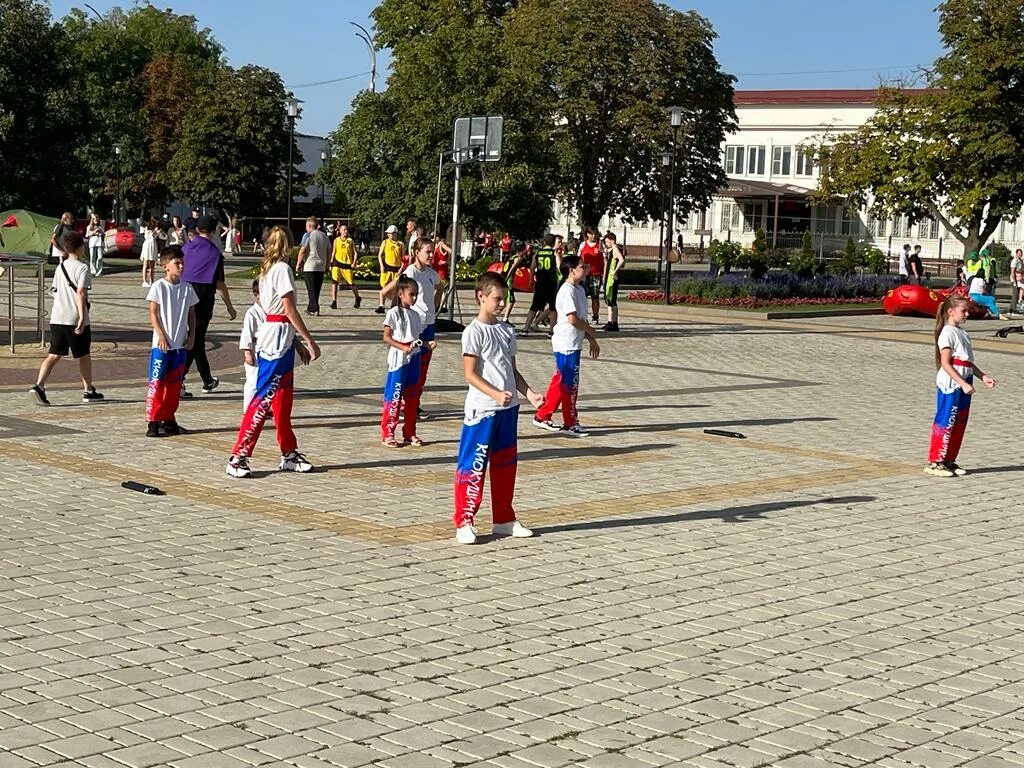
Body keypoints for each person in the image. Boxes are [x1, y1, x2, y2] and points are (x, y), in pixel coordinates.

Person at [453, 271, 545, 545]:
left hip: (508, 409)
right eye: (497, 299)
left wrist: (529, 394)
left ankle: (504, 519)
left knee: (506, 465)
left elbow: (511, 371)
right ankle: (465, 520)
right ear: (480, 297)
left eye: (504, 299)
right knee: (474, 464)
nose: (502, 304)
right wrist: (495, 394)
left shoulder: (506, 330)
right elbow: (470, 374)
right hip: (483, 410)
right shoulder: (473, 332)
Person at [226, 226, 321, 478]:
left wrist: (296, 344)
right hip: (276, 340)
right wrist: (309, 340)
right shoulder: (282, 269)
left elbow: (280, 311)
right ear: (288, 245)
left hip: (281, 337)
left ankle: (288, 453)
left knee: (282, 402)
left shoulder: (268, 269)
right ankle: (239, 456)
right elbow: (288, 310)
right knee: (262, 400)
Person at [30, 231, 103, 406]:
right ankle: (88, 390)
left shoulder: (60, 267)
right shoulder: (83, 268)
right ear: (80, 247)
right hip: (74, 318)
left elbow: (54, 291)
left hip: (57, 317)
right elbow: (81, 292)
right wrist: (82, 316)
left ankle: (39, 385)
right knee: (84, 354)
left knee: (54, 354)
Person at [926, 294, 996, 477]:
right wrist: (962, 383)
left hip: (965, 378)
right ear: (951, 311)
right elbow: (946, 363)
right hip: (952, 382)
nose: (966, 314)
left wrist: (983, 376)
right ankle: (936, 460)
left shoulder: (962, 333)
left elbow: (967, 362)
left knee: (959, 422)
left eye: (967, 310)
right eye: (963, 310)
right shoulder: (947, 333)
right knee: (947, 420)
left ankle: (949, 459)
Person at [532, 254, 600, 436]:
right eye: (582, 267)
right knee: (569, 383)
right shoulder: (567, 290)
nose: (585, 269)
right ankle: (570, 422)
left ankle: (543, 415)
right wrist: (590, 331)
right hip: (566, 343)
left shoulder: (578, 289)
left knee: (561, 381)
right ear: (571, 271)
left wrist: (590, 338)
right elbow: (572, 319)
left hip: (574, 341)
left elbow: (581, 318)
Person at [145, 246, 199, 437]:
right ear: (165, 266)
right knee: (157, 383)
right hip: (161, 346)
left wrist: (191, 335)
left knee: (174, 386)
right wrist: (160, 335)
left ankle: (169, 419)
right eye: (177, 263)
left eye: (183, 263)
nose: (181, 266)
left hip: (179, 346)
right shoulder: (159, 287)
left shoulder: (187, 288)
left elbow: (192, 313)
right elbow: (153, 312)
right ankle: (152, 421)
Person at [181, 215, 237, 396]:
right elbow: (220, 284)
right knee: (195, 340)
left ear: (197, 230)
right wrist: (229, 306)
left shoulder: (187, 247)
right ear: (214, 232)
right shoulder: (214, 253)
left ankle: (207, 380)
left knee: (195, 340)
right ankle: (179, 379)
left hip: (183, 296)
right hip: (203, 299)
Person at [380, 275, 434, 447]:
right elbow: (386, 337)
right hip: (399, 360)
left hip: (415, 358)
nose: (415, 297)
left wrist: (426, 344)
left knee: (412, 398)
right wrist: (402, 347)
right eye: (412, 294)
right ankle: (388, 433)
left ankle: (410, 432)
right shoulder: (393, 313)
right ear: (401, 294)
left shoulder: (416, 315)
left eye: (416, 294)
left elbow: (415, 338)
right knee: (394, 397)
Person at [522, 233, 559, 335]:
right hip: (551, 283)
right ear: (553, 243)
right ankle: (552, 330)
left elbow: (533, 267)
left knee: (534, 306)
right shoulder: (554, 253)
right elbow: (559, 267)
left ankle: (526, 328)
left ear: (544, 242)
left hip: (540, 282)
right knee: (553, 307)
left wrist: (531, 280)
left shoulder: (538, 252)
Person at [239, 279, 266, 411]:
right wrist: (247, 352)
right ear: (256, 295)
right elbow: (246, 333)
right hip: (254, 349)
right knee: (253, 381)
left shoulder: (270, 310)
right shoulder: (252, 313)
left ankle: (262, 407)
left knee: (265, 381)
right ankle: (248, 408)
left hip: (267, 349)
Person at [295, 217, 329, 316]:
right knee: (317, 289)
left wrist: (298, 263)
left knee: (311, 289)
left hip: (310, 265)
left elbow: (302, 250)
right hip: (321, 266)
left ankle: (314, 308)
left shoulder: (308, 235)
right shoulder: (324, 236)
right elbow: (329, 251)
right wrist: (327, 265)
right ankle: (312, 308)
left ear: (309, 225)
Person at [329, 223, 361, 309]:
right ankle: (334, 301)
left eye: (346, 230)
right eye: (344, 230)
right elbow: (333, 252)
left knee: (351, 283)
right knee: (335, 282)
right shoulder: (336, 240)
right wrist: (331, 263)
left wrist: (354, 262)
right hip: (337, 263)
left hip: (347, 264)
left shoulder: (350, 241)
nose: (345, 231)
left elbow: (355, 253)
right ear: (340, 231)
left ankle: (357, 297)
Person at [577, 227, 603, 322]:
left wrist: (604, 273)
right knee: (582, 296)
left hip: (596, 274)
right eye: (591, 234)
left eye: (595, 234)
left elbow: (604, 259)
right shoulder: (583, 244)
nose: (593, 236)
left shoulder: (600, 245)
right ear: (587, 234)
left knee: (595, 297)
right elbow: (578, 259)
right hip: (584, 275)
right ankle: (583, 316)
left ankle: (595, 316)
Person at [375, 225, 403, 312]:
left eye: (391, 233)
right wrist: (381, 265)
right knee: (384, 286)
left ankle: (394, 305)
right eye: (388, 234)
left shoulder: (400, 244)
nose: (389, 235)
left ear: (395, 233)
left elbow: (403, 258)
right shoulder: (385, 242)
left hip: (396, 269)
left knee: (395, 288)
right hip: (387, 268)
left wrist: (401, 268)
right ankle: (381, 305)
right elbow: (380, 255)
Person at [602, 231, 625, 332]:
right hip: (609, 277)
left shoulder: (615, 249)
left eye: (607, 241)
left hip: (612, 278)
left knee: (612, 300)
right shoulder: (612, 250)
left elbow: (621, 260)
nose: (606, 244)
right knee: (609, 300)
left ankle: (613, 323)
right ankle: (610, 321)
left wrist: (615, 271)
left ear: (612, 241)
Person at [500, 242, 529, 324]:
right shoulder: (518, 258)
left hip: (503, 277)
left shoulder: (511, 257)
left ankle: (505, 318)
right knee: (511, 300)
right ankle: (505, 319)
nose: (524, 253)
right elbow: (512, 269)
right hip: (507, 280)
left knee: (506, 298)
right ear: (519, 251)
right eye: (523, 251)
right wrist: (507, 278)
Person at [139, 217, 163, 287]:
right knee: (146, 264)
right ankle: (144, 281)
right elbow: (147, 237)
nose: (157, 224)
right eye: (156, 222)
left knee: (152, 265)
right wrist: (154, 231)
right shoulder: (147, 228)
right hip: (147, 245)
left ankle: (151, 280)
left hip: (153, 245)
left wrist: (159, 232)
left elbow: (159, 237)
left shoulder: (157, 229)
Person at [1011, 248, 1024, 313]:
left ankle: (1012, 310)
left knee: (1018, 294)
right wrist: (1014, 281)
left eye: (1021, 254)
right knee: (1015, 295)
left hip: (1020, 279)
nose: (1020, 255)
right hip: (1015, 279)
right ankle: (1013, 310)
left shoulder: (1021, 261)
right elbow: (1012, 271)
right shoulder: (1014, 261)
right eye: (1019, 254)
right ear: (1016, 254)